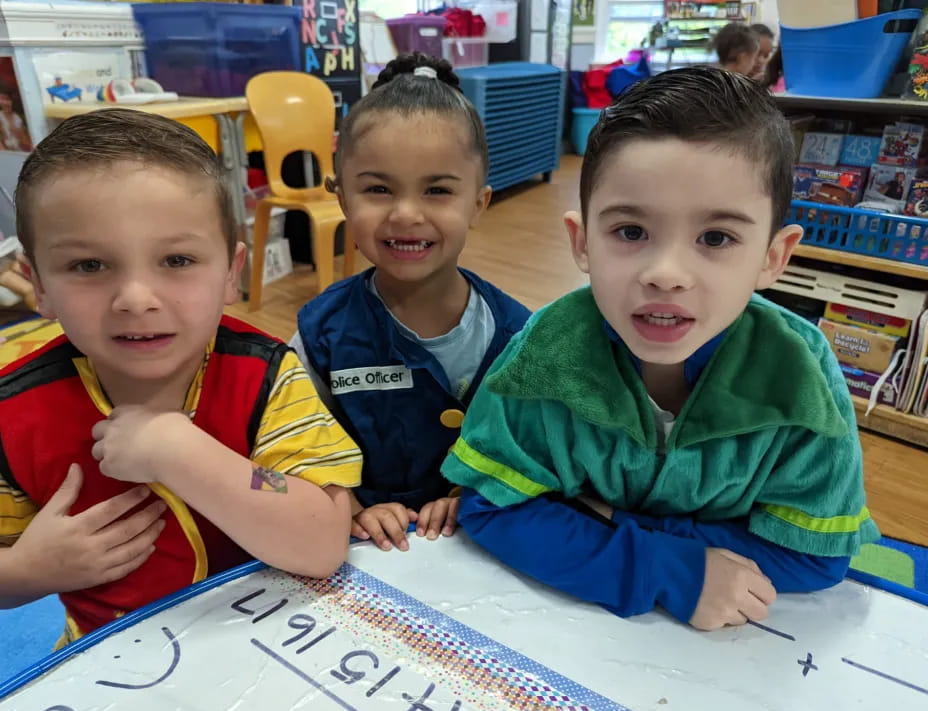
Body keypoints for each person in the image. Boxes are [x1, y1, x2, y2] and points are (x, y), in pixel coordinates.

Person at [442, 67, 879, 632]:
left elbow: (816, 554)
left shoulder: (800, 371)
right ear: (582, 242)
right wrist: (661, 567)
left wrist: (607, 522)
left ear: (774, 256)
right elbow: (490, 504)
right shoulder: (545, 354)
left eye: (716, 238)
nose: (666, 274)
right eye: (630, 232)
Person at [0, 109, 362, 643]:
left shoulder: (265, 375)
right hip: (113, 671)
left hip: (281, 652)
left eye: (176, 260)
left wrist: (178, 449)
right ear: (40, 286)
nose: (136, 300)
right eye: (89, 266)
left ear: (231, 274)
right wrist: (30, 571)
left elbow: (322, 540)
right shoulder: (16, 412)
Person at [292, 53, 529, 553]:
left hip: (485, 548)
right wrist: (352, 507)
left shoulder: (517, 334)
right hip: (364, 555)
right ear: (342, 200)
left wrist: (474, 490)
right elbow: (297, 444)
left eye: (438, 190)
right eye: (378, 189)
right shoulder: (321, 334)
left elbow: (531, 445)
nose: (405, 214)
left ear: (478, 204)